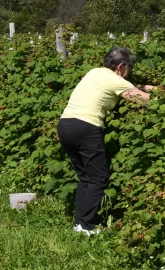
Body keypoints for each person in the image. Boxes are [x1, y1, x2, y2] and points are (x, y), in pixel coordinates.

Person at [57, 47, 158, 235]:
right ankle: (87, 225)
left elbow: (126, 85)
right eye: (130, 67)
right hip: (86, 127)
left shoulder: (95, 72)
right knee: (99, 178)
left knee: (85, 177)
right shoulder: (115, 80)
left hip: (65, 125)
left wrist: (147, 86)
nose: (130, 71)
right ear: (121, 66)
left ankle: (80, 224)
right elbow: (143, 100)